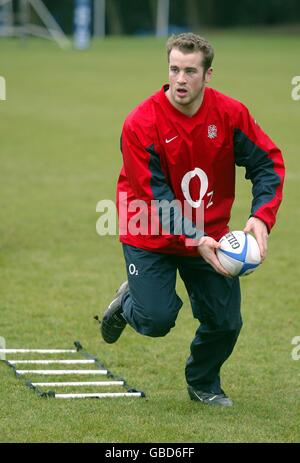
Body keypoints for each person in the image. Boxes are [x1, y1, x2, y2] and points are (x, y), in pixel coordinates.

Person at [99, 33, 285, 406]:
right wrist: (194, 236)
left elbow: (267, 164)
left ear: (208, 74)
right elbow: (154, 197)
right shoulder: (140, 123)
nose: (180, 79)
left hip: (211, 235)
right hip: (150, 231)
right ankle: (127, 304)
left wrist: (261, 217)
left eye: (189, 71)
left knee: (226, 322)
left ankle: (203, 383)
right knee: (155, 320)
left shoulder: (231, 115)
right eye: (174, 69)